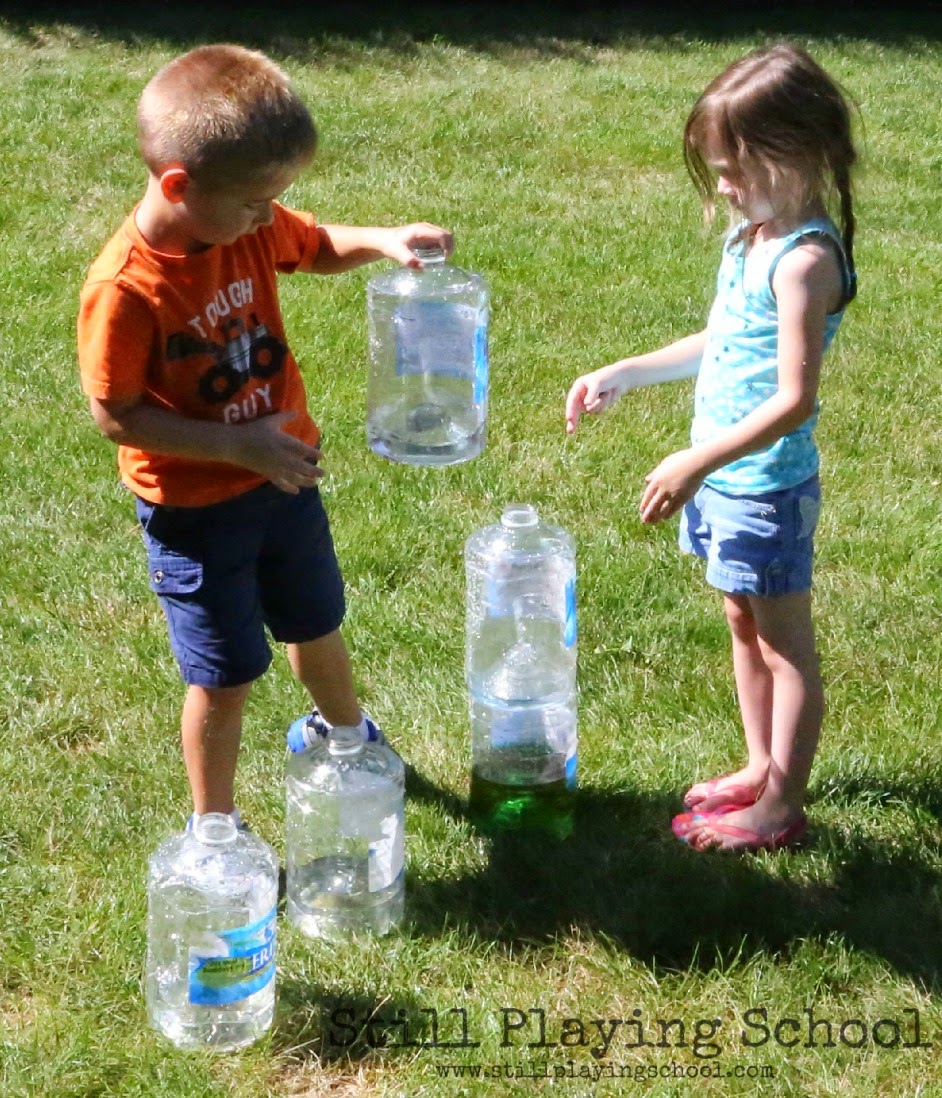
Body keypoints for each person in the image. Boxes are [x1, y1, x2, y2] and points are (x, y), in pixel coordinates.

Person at [78, 44, 453, 829]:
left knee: (316, 621)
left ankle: (347, 735)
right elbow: (117, 413)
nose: (266, 217)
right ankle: (215, 825)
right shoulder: (126, 288)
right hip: (194, 513)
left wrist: (383, 239)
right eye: (256, 202)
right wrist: (236, 447)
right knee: (225, 675)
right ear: (178, 186)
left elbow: (312, 246)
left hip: (283, 480)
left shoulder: (243, 225)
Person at [565, 43, 859, 852]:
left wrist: (698, 462)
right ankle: (761, 764)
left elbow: (794, 399)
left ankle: (780, 807)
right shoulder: (751, 237)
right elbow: (723, 341)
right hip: (729, 478)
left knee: (785, 645)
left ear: (796, 152)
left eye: (735, 171)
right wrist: (625, 372)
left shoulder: (804, 261)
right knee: (741, 619)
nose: (724, 188)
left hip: (763, 486)